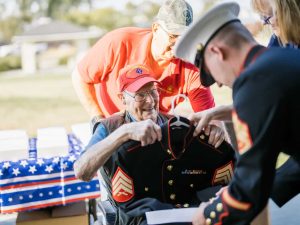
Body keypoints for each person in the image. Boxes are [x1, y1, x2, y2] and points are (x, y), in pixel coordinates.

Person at [175, 2, 300, 225]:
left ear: (216, 52)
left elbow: (249, 189)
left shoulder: (254, 82)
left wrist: (210, 213)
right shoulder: (280, 62)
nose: (220, 86)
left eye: (211, 74)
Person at [74, 64, 236, 225]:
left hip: (177, 213)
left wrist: (217, 136)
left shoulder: (174, 123)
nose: (150, 100)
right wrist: (124, 133)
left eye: (153, 91)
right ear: (122, 98)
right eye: (140, 95)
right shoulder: (109, 128)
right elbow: (82, 171)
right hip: (131, 217)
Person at [72, 0, 215, 132]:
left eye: (184, 37)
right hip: (113, 126)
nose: (178, 44)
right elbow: (80, 77)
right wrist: (97, 118)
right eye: (172, 36)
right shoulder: (119, 42)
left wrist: (214, 129)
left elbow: (210, 117)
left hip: (153, 129)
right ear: (155, 28)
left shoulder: (191, 68)